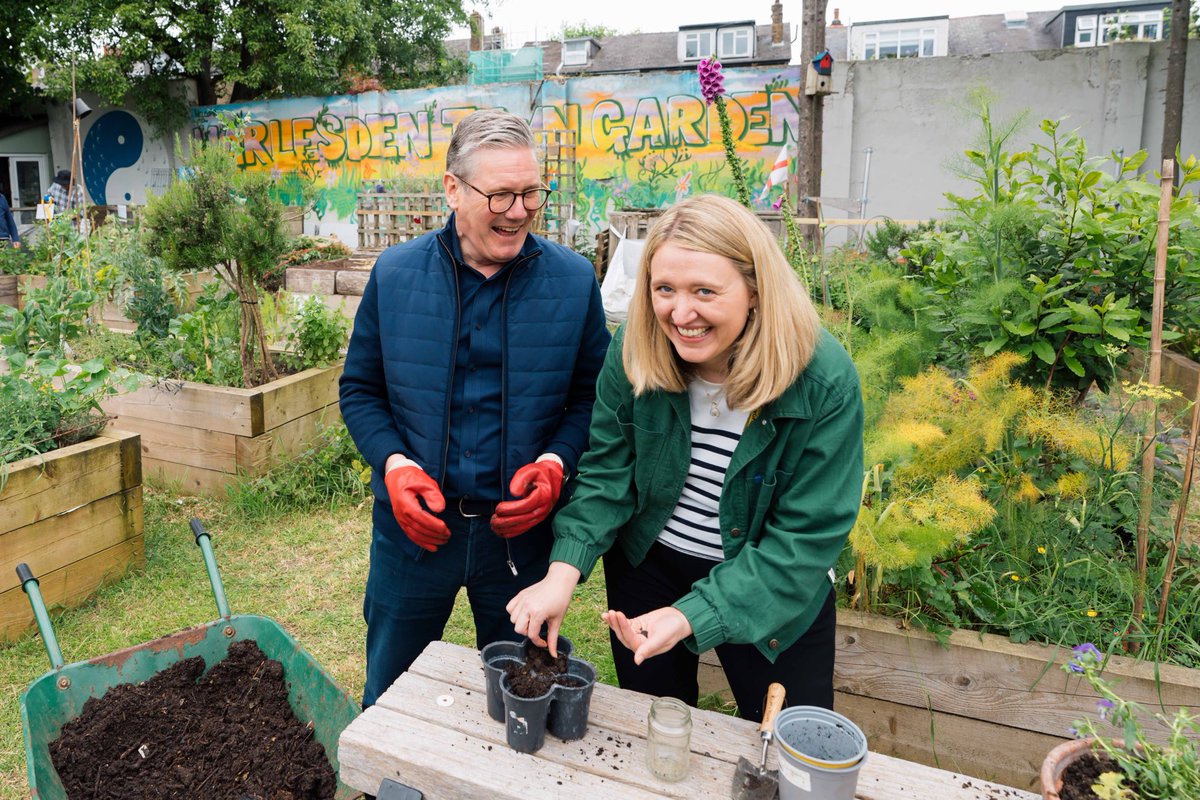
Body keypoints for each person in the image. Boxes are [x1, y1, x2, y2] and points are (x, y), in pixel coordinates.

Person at [506, 194, 864, 722]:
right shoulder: (636, 347)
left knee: (787, 738)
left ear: (756, 291)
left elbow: (805, 539)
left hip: (769, 581)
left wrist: (691, 614)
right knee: (655, 728)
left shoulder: (821, 380)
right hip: (648, 565)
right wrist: (562, 573)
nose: (681, 313)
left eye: (705, 291)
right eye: (664, 289)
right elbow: (608, 471)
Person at [339, 108, 611, 709]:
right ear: (453, 189)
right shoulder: (396, 274)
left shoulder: (572, 283)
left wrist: (557, 461)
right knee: (391, 693)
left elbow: (593, 397)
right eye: (501, 195)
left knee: (526, 692)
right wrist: (393, 465)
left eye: (530, 192)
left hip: (519, 538)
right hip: (414, 535)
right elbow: (360, 389)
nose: (519, 211)